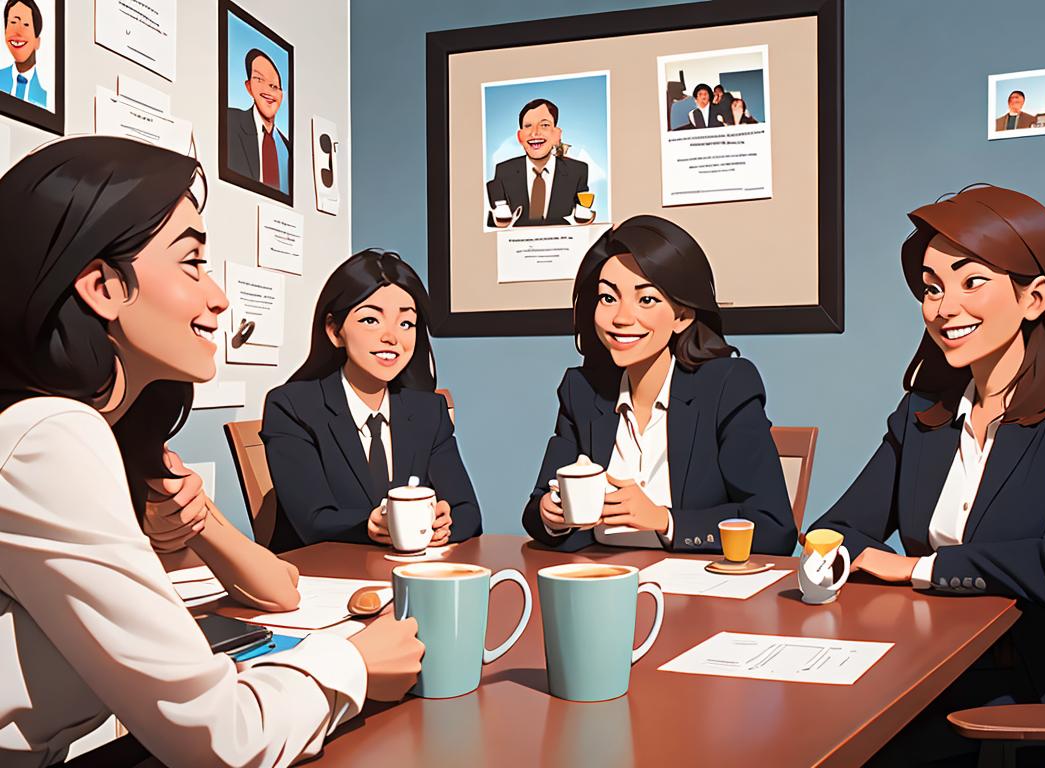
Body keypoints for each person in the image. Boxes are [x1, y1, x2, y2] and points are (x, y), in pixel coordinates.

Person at [0, 136, 424, 767]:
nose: (219, 297)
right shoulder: (49, 437)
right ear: (102, 285)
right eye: (192, 262)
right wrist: (352, 665)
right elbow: (219, 736)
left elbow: (279, 591)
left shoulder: (111, 438)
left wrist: (193, 525)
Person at [812, 185, 1045, 768]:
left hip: (1039, 696)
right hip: (926, 674)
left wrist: (918, 569)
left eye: (971, 281)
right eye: (931, 288)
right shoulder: (923, 416)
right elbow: (836, 529)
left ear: (1035, 297)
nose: (943, 307)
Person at [522, 215, 795, 554]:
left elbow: (773, 527)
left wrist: (664, 520)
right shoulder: (581, 391)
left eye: (646, 299)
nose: (621, 317)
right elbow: (536, 511)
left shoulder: (727, 385)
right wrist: (551, 516)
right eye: (608, 298)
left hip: (700, 594)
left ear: (682, 315)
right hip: (603, 579)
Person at [262, 249, 482, 552]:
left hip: (409, 577)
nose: (392, 336)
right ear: (334, 330)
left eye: (406, 323)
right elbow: (311, 521)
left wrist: (446, 523)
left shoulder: (428, 411)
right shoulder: (291, 407)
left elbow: (468, 512)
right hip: (321, 578)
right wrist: (369, 524)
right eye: (370, 320)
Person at [486, 98, 590, 227]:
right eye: (528, 126)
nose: (535, 133)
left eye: (544, 125)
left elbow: (583, 216)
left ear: (556, 134)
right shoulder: (504, 170)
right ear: (520, 136)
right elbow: (498, 219)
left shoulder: (578, 170)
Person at [226, 48, 290, 194]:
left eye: (274, 86)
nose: (268, 91)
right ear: (249, 87)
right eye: (259, 80)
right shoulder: (230, 121)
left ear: (281, 95)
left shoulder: (286, 148)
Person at [0, 0, 46, 108]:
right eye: (13, 23)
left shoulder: (44, 97)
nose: (18, 31)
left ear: (37, 41)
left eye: (26, 24)